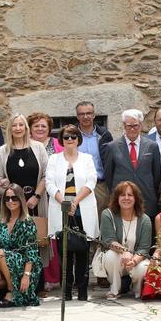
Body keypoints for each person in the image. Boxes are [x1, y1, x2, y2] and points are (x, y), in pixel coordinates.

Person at [45, 124, 99, 301]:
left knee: (83, 251)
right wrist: (65, 202)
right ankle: (66, 292)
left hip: (82, 209)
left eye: (73, 137)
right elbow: (49, 183)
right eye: (66, 137)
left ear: (78, 139)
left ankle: (82, 291)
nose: (70, 140)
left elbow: (91, 181)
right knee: (65, 253)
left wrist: (75, 202)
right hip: (61, 209)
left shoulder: (87, 158)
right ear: (61, 139)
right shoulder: (54, 159)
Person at [0, 185, 42, 308]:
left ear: (21, 199)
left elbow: (31, 251)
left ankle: (11, 290)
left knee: (1, 252)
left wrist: (26, 275)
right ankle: (8, 287)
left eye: (14, 198)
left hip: (25, 264)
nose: (10, 201)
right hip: (2, 260)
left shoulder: (27, 222)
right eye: (7, 198)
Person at [102, 109, 161, 218]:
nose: (132, 129)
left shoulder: (152, 146)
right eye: (129, 126)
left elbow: (157, 174)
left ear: (141, 125)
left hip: (146, 198)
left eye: (135, 125)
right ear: (124, 126)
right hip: (122, 199)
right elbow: (109, 175)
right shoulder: (112, 147)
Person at [98, 181, 152, 299]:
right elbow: (108, 240)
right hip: (117, 259)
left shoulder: (144, 219)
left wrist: (134, 261)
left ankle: (137, 291)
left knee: (143, 267)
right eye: (122, 195)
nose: (126, 198)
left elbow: (144, 248)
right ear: (117, 198)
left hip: (136, 259)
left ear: (136, 198)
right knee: (111, 255)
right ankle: (115, 289)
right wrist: (124, 252)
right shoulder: (107, 214)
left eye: (130, 195)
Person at [0, 113, 49, 216]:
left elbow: (47, 175)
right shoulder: (2, 151)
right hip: (13, 205)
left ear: (26, 128)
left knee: (39, 231)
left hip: (35, 202)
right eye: (14, 125)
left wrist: (36, 197)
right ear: (10, 129)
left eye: (21, 125)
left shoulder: (39, 147)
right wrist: (9, 194)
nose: (18, 128)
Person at [74, 100, 113, 211]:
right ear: (77, 116)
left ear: (94, 115)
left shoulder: (104, 135)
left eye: (89, 113)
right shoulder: (71, 135)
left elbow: (111, 159)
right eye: (82, 114)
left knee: (101, 221)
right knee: (79, 221)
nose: (86, 117)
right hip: (78, 186)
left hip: (100, 186)